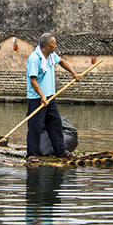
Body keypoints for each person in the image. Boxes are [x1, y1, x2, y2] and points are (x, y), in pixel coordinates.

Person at [26, 33, 80, 161]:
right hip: (37, 99)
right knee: (36, 126)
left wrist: (74, 73)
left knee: (55, 123)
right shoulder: (34, 59)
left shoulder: (51, 56)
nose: (56, 46)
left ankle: (60, 151)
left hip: (50, 97)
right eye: (54, 43)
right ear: (47, 45)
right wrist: (42, 96)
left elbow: (61, 62)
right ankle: (32, 154)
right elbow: (33, 80)